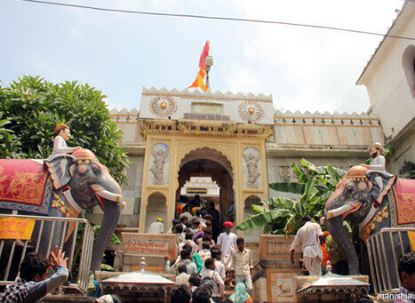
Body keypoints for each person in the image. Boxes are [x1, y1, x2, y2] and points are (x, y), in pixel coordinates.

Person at [1, 248, 68, 303]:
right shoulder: (27, 290)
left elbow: (62, 280)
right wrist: (60, 267)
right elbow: (63, 275)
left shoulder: (18, 284)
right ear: (37, 277)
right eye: (47, 274)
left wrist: (54, 266)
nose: (48, 277)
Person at [217, 221, 237, 286]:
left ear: (230, 228)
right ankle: (224, 280)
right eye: (226, 227)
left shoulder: (234, 236)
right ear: (225, 228)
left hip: (231, 254)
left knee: (231, 269)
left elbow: (235, 245)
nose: (227, 228)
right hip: (223, 254)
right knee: (223, 268)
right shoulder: (221, 235)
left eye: (229, 227)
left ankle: (230, 281)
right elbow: (218, 245)